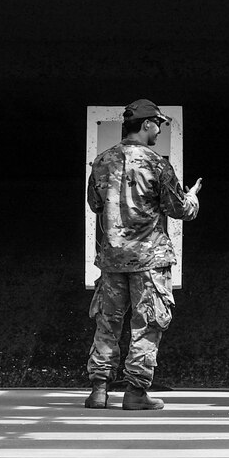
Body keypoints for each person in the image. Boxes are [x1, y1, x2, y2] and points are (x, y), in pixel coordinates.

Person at [85, 99, 201, 412]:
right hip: (149, 259)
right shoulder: (156, 164)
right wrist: (193, 198)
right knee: (147, 323)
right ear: (147, 124)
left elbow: (95, 203)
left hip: (111, 259)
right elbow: (178, 210)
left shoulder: (101, 161)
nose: (160, 129)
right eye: (158, 124)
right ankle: (135, 392)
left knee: (107, 323)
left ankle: (99, 389)